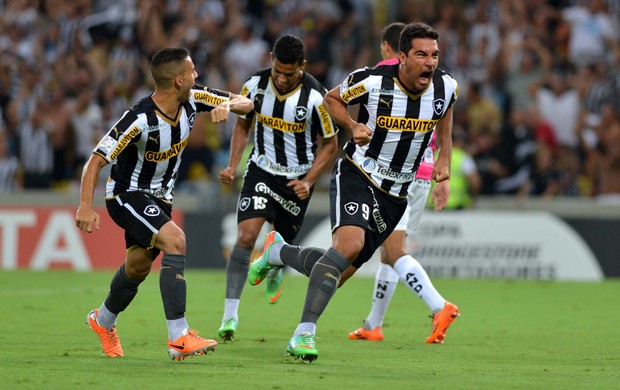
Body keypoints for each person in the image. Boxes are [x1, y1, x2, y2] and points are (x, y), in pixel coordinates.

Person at [248, 22, 458, 362]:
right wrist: (352, 125)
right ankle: (303, 334)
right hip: (359, 173)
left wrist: (444, 164)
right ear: (402, 57)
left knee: (337, 272)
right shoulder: (373, 81)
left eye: (434, 55)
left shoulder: (445, 87)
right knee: (349, 245)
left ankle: (278, 252)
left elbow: (445, 117)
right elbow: (332, 98)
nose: (430, 62)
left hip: (396, 195)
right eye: (421, 54)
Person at [75, 47, 253, 360]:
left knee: (138, 266)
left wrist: (227, 105)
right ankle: (178, 337)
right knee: (176, 240)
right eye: (193, 72)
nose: (198, 76)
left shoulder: (194, 97)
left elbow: (247, 102)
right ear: (178, 81)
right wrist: (85, 207)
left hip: (161, 198)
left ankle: (102, 320)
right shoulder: (139, 118)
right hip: (126, 195)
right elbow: (96, 160)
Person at [217, 34, 339, 341]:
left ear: (302, 66)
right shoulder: (254, 86)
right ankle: (229, 316)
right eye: (277, 71)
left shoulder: (316, 98)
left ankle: (274, 266)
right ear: (270, 59)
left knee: (282, 242)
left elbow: (330, 145)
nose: (282, 79)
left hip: (295, 181)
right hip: (260, 170)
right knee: (245, 237)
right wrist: (233, 165)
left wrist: (309, 181)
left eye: (290, 73)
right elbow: (243, 126)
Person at [348, 22, 457, 343]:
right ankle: (373, 325)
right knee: (389, 251)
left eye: (432, 54)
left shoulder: (385, 73)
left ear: (389, 49)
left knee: (393, 250)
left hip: (395, 174)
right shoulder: (440, 84)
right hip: (425, 173)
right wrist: (444, 167)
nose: (428, 61)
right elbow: (445, 120)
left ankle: (439, 306)